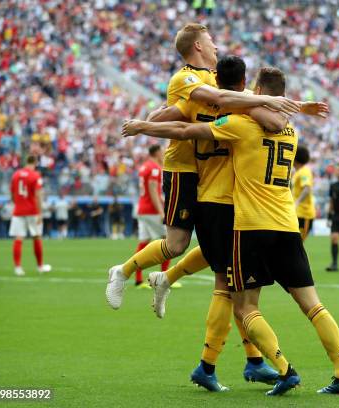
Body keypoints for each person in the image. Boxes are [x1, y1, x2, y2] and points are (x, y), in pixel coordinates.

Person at [121, 67, 339, 396]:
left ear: (258, 91)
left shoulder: (240, 126)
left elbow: (183, 129)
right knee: (313, 305)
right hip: (287, 225)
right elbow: (274, 119)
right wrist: (295, 107)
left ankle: (283, 368)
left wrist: (143, 126)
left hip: (251, 227)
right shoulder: (291, 131)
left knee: (244, 307)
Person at [106, 22, 300, 311]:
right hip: (185, 167)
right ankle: (122, 271)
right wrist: (146, 124)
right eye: (210, 40)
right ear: (197, 45)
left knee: (218, 249)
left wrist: (286, 107)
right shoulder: (185, 79)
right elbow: (193, 110)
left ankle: (166, 280)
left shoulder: (216, 78)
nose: (216, 46)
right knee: (176, 244)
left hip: (216, 172)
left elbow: (242, 103)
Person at [131, 144, 171, 288]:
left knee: (143, 242)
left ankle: (138, 278)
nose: (163, 155)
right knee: (169, 241)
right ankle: (165, 277)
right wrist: (161, 212)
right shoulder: (154, 168)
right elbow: (153, 190)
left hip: (142, 209)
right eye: (162, 152)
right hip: (152, 210)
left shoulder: (144, 167)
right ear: (156, 153)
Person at [9, 155, 51, 275]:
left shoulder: (16, 175)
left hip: (18, 210)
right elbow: (38, 195)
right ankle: (40, 266)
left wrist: (17, 203)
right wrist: (40, 213)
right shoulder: (35, 175)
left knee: (18, 238)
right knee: (36, 236)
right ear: (35, 162)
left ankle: (17, 268)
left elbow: (12, 193)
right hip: (32, 211)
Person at [292, 145, 316, 241]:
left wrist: (296, 203)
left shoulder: (304, 172)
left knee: (297, 245)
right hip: (297, 213)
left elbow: (307, 188)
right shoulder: (297, 172)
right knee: (293, 246)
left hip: (304, 214)